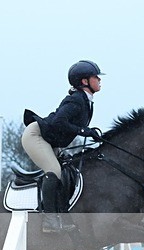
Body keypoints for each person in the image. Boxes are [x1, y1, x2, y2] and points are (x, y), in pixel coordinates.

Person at [22, 60, 105, 233]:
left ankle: (63, 215)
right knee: (54, 171)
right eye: (95, 77)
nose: (99, 80)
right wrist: (84, 131)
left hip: (50, 140)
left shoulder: (85, 100)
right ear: (84, 81)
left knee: (67, 172)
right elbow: (60, 121)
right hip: (35, 136)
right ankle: (49, 220)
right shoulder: (76, 99)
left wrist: (89, 133)